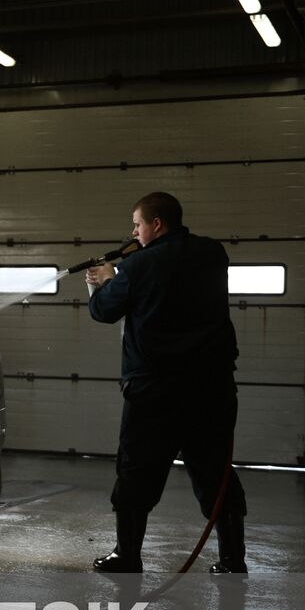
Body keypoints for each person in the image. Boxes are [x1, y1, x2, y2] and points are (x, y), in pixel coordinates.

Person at [84, 191, 247, 573]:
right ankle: (232, 558)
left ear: (157, 224)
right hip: (212, 390)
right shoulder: (213, 254)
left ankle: (127, 555)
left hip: (154, 393)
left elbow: (104, 311)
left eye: (138, 225)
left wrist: (107, 280)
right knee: (215, 471)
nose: (134, 232)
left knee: (137, 471)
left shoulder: (138, 267)